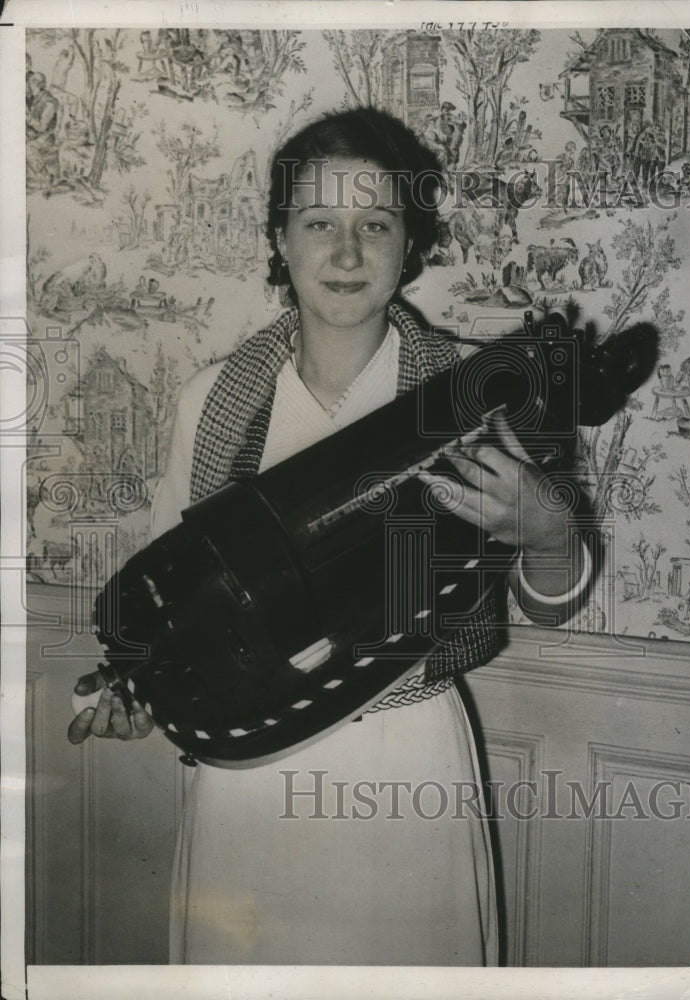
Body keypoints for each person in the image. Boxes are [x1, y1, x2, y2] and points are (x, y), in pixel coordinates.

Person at [68, 107, 593, 966]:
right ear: (280, 239)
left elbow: (553, 600)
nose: (346, 254)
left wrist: (547, 526)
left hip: (407, 766)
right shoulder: (213, 401)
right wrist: (140, 694)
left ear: (408, 243)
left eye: (374, 225)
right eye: (318, 224)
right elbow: (177, 604)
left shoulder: (476, 395)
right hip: (245, 783)